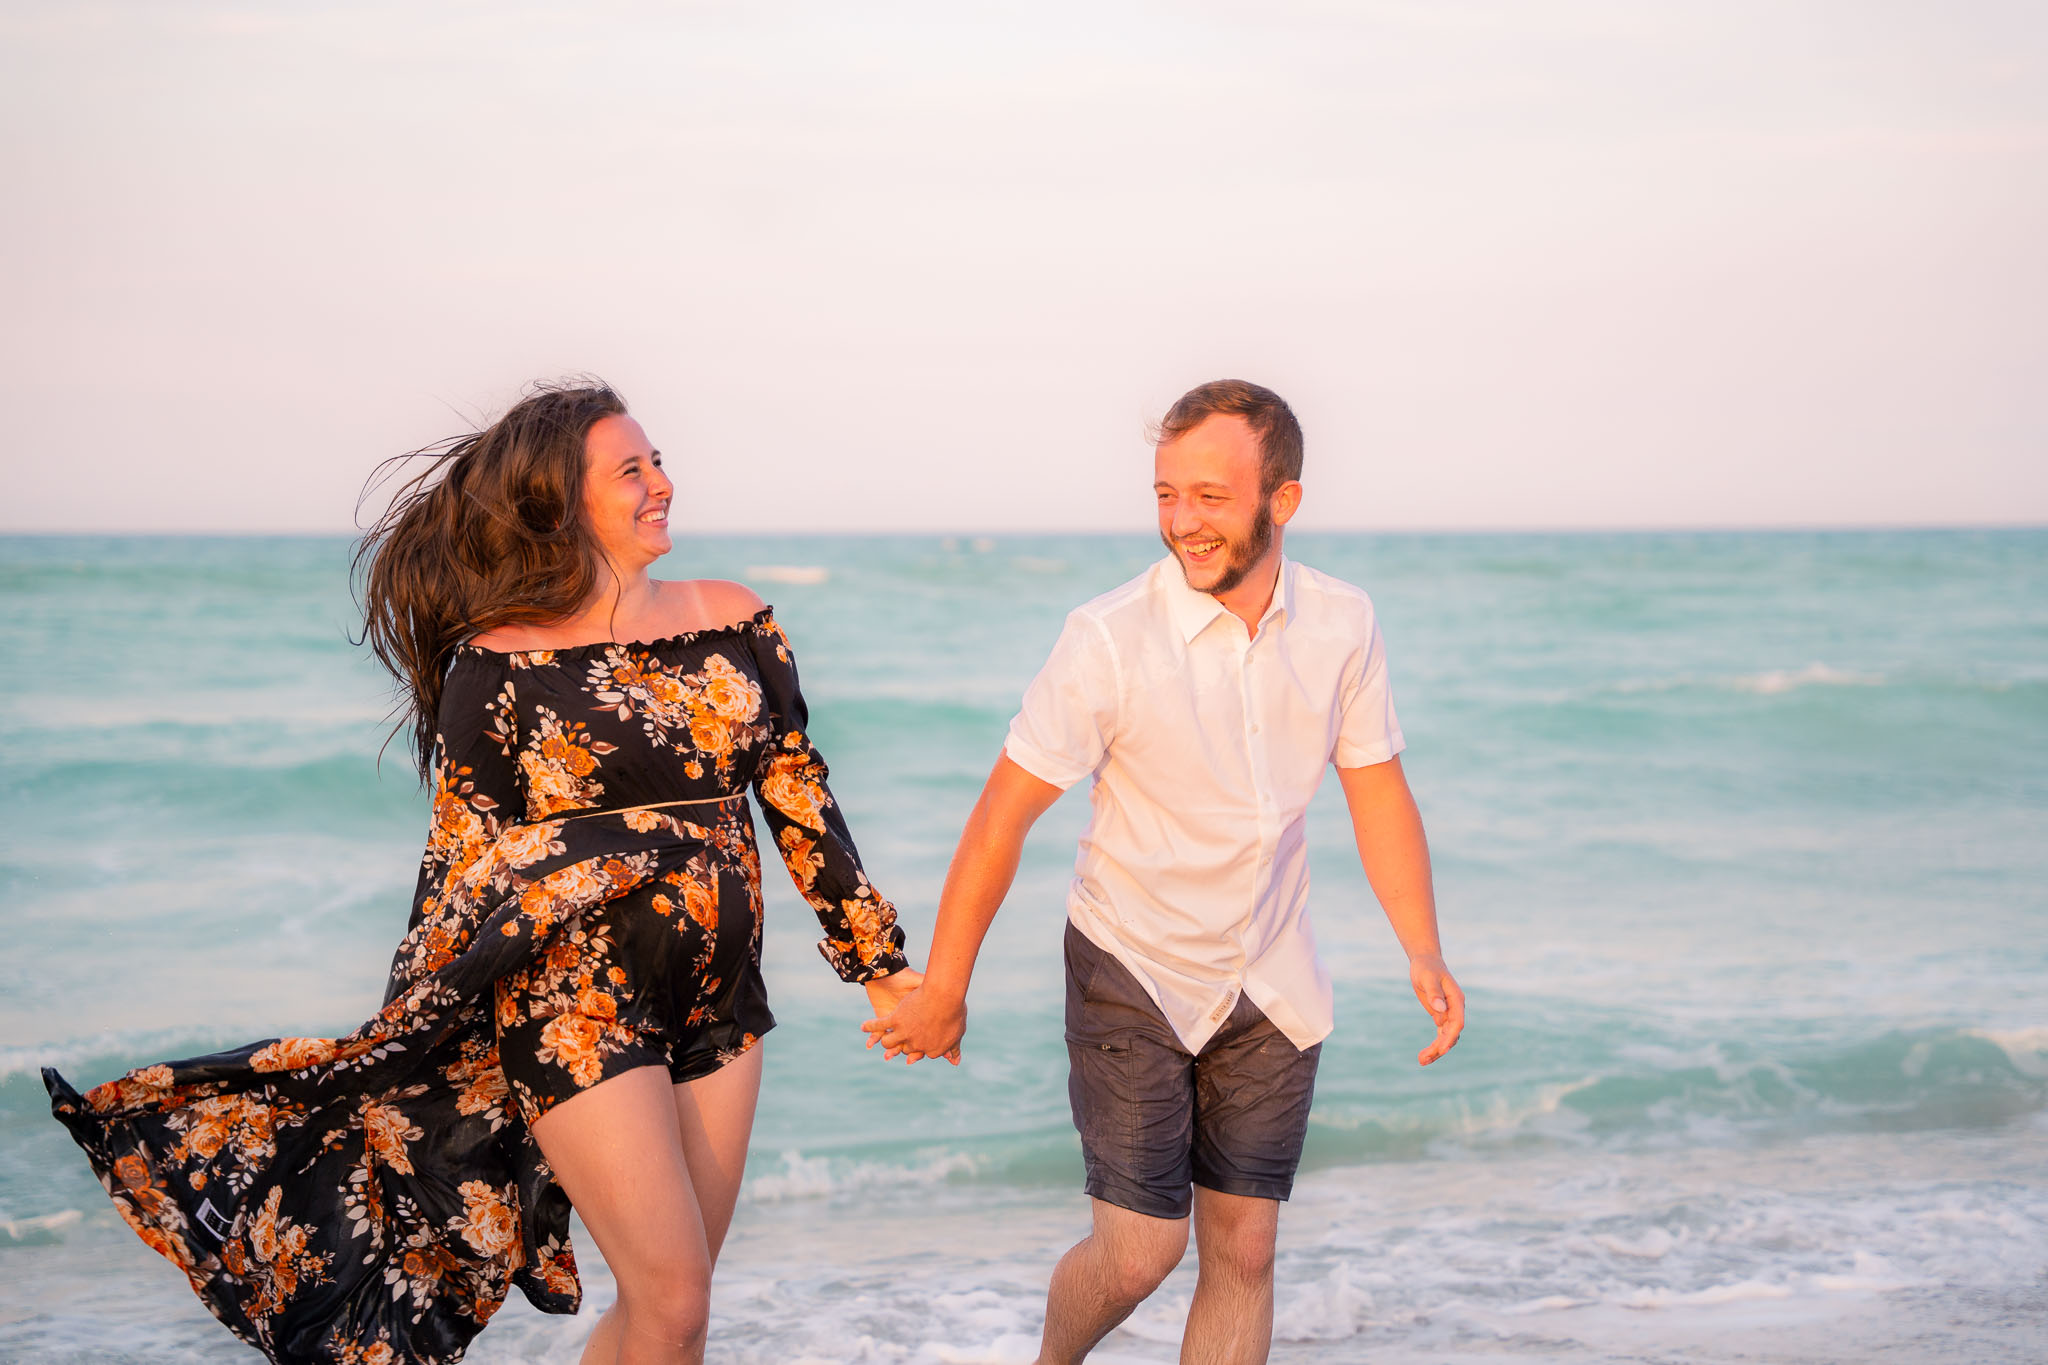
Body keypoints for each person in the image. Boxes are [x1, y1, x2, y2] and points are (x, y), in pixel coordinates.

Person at [44, 381, 928, 1365]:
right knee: (672, 1303)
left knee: (670, 1307)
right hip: (568, 1012)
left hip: (721, 1007)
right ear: (561, 500)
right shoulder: (494, 667)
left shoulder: (733, 618)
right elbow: (457, 869)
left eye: (658, 461)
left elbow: (799, 798)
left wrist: (881, 966)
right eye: (630, 470)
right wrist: (404, 1039)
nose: (661, 485)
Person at [867, 379, 1466, 1365]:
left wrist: (1422, 948)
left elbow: (1375, 790)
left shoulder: (1342, 624)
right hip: (1130, 963)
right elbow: (998, 817)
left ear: (1284, 500)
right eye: (1164, 495)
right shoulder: (1105, 638)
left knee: (1245, 1245)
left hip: (1272, 976)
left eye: (1209, 498)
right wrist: (945, 988)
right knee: (1142, 1251)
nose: (1180, 524)